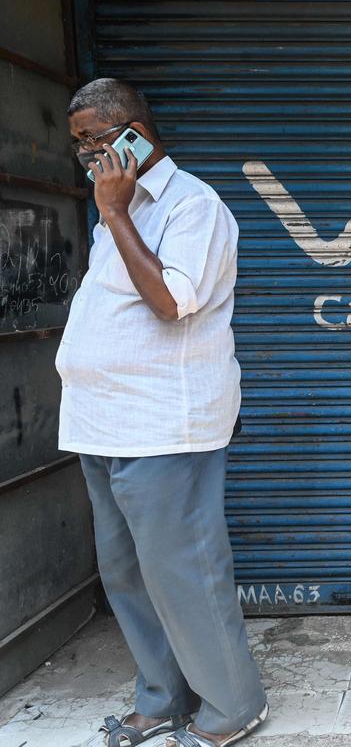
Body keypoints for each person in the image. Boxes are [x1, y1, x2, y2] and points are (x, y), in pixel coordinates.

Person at [59, 78, 268, 747]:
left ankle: (233, 707)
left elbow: (173, 303)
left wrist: (116, 213)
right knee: (126, 570)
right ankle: (165, 694)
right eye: (79, 143)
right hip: (103, 420)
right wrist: (113, 211)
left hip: (165, 424)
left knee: (185, 570)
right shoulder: (112, 207)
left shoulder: (192, 207)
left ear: (134, 131)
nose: (87, 154)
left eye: (94, 139)